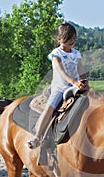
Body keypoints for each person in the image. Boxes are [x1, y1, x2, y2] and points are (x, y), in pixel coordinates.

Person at [27, 21, 89, 149]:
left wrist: (84, 82)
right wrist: (74, 82)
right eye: (69, 39)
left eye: (74, 38)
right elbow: (61, 72)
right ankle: (37, 136)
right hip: (61, 88)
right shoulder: (57, 54)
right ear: (60, 39)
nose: (72, 41)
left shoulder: (76, 53)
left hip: (76, 86)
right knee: (50, 108)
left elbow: (81, 70)